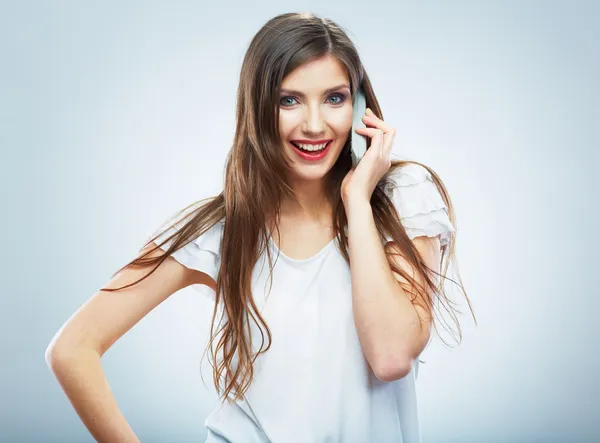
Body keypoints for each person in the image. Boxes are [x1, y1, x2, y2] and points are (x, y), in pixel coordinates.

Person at [45, 12, 476, 443]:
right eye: (289, 100)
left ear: (360, 106)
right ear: (258, 109)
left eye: (334, 98)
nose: (314, 124)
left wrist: (357, 199)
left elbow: (391, 355)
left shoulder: (404, 196)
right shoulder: (220, 230)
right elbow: (72, 350)